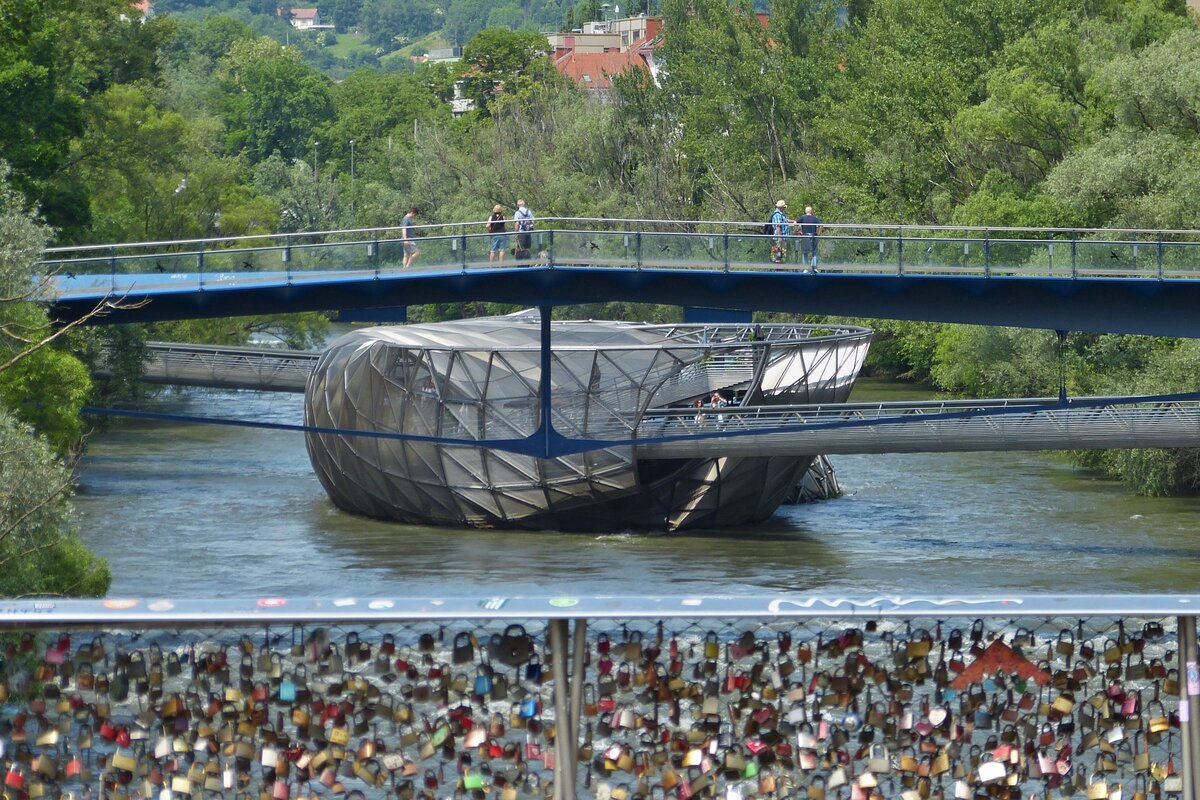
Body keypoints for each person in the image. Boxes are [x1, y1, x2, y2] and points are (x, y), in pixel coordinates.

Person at [797, 205, 822, 272]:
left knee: (805, 252)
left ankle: (806, 268)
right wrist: (819, 234)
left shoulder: (802, 218)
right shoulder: (814, 218)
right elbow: (821, 225)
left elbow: (794, 223)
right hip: (813, 236)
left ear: (805, 211)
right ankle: (814, 267)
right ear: (811, 211)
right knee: (814, 252)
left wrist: (799, 231)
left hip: (805, 236)